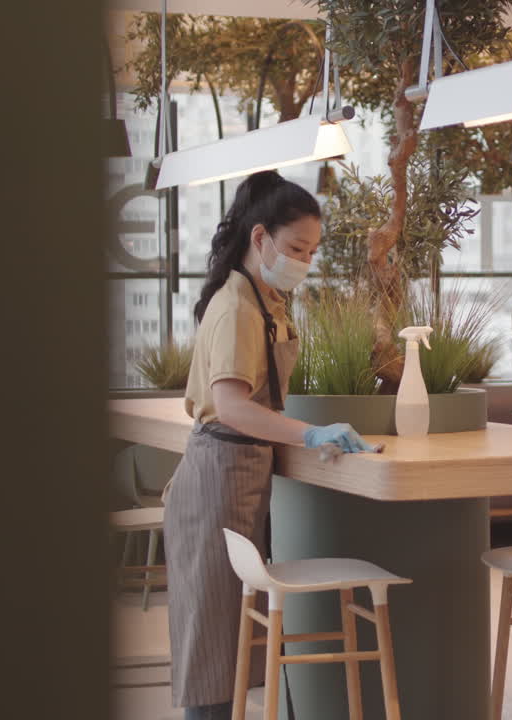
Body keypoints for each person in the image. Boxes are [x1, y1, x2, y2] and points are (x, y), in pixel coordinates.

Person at [163, 170, 376, 720]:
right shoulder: (236, 304)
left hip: (241, 473)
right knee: (212, 644)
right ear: (260, 238)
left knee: (230, 643)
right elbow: (232, 405)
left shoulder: (266, 299)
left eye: (312, 251)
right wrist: (308, 432)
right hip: (217, 478)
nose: (304, 261)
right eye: (296, 248)